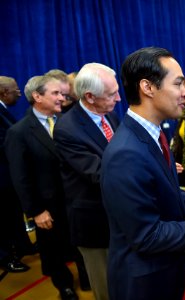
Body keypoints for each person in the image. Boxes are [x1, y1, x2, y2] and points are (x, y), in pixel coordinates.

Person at [100, 47, 185, 300]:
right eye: (178, 83)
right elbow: (146, 236)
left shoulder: (152, 135)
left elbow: (167, 195)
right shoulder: (126, 153)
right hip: (145, 285)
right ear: (148, 87)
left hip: (166, 272)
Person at [4, 75, 81, 300]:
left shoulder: (68, 121)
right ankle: (64, 286)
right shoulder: (18, 133)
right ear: (37, 96)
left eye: (62, 93)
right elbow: (20, 178)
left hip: (76, 201)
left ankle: (87, 278)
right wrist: (35, 210)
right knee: (53, 252)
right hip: (48, 208)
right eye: (55, 93)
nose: (62, 97)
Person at [54, 63, 121, 300]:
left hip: (118, 217)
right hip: (94, 223)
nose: (119, 98)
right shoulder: (67, 129)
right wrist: (148, 171)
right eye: (112, 94)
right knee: (107, 290)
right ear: (90, 96)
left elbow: (123, 154)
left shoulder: (109, 115)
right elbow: (99, 172)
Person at [0, 76, 34, 273]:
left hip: (9, 177)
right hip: (2, 177)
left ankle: (24, 245)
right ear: (4, 93)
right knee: (3, 219)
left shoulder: (4, 111)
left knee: (14, 214)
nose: (19, 93)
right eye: (16, 90)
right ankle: (5, 256)